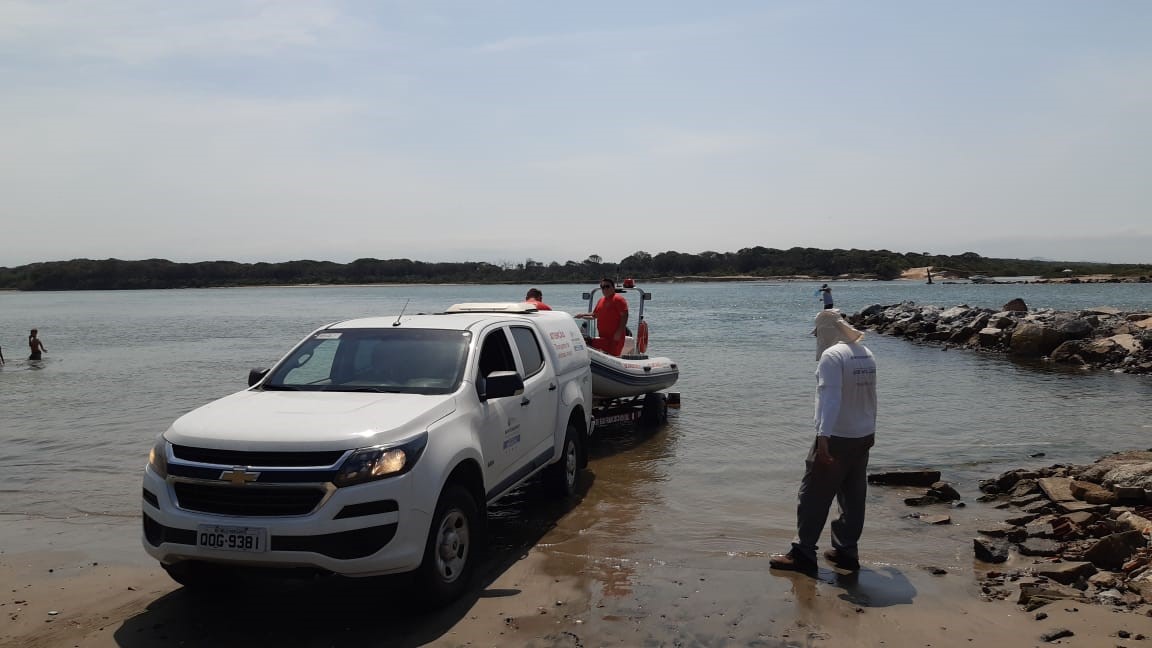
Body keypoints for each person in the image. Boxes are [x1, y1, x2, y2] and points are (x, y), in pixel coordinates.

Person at [770, 310, 877, 573]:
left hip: (837, 435)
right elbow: (870, 397)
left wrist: (823, 438)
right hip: (863, 434)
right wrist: (870, 430)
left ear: (826, 331)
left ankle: (803, 553)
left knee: (813, 495)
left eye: (817, 333)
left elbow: (830, 399)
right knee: (853, 496)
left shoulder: (832, 357)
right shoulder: (865, 353)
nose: (817, 339)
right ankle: (846, 552)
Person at [575, 278, 629, 356]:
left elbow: (625, 315)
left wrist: (619, 332)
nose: (605, 289)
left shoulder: (618, 299)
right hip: (603, 336)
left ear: (613, 287)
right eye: (602, 287)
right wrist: (582, 315)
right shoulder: (601, 300)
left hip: (615, 337)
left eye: (607, 286)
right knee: (601, 353)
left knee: (613, 356)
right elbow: (594, 315)